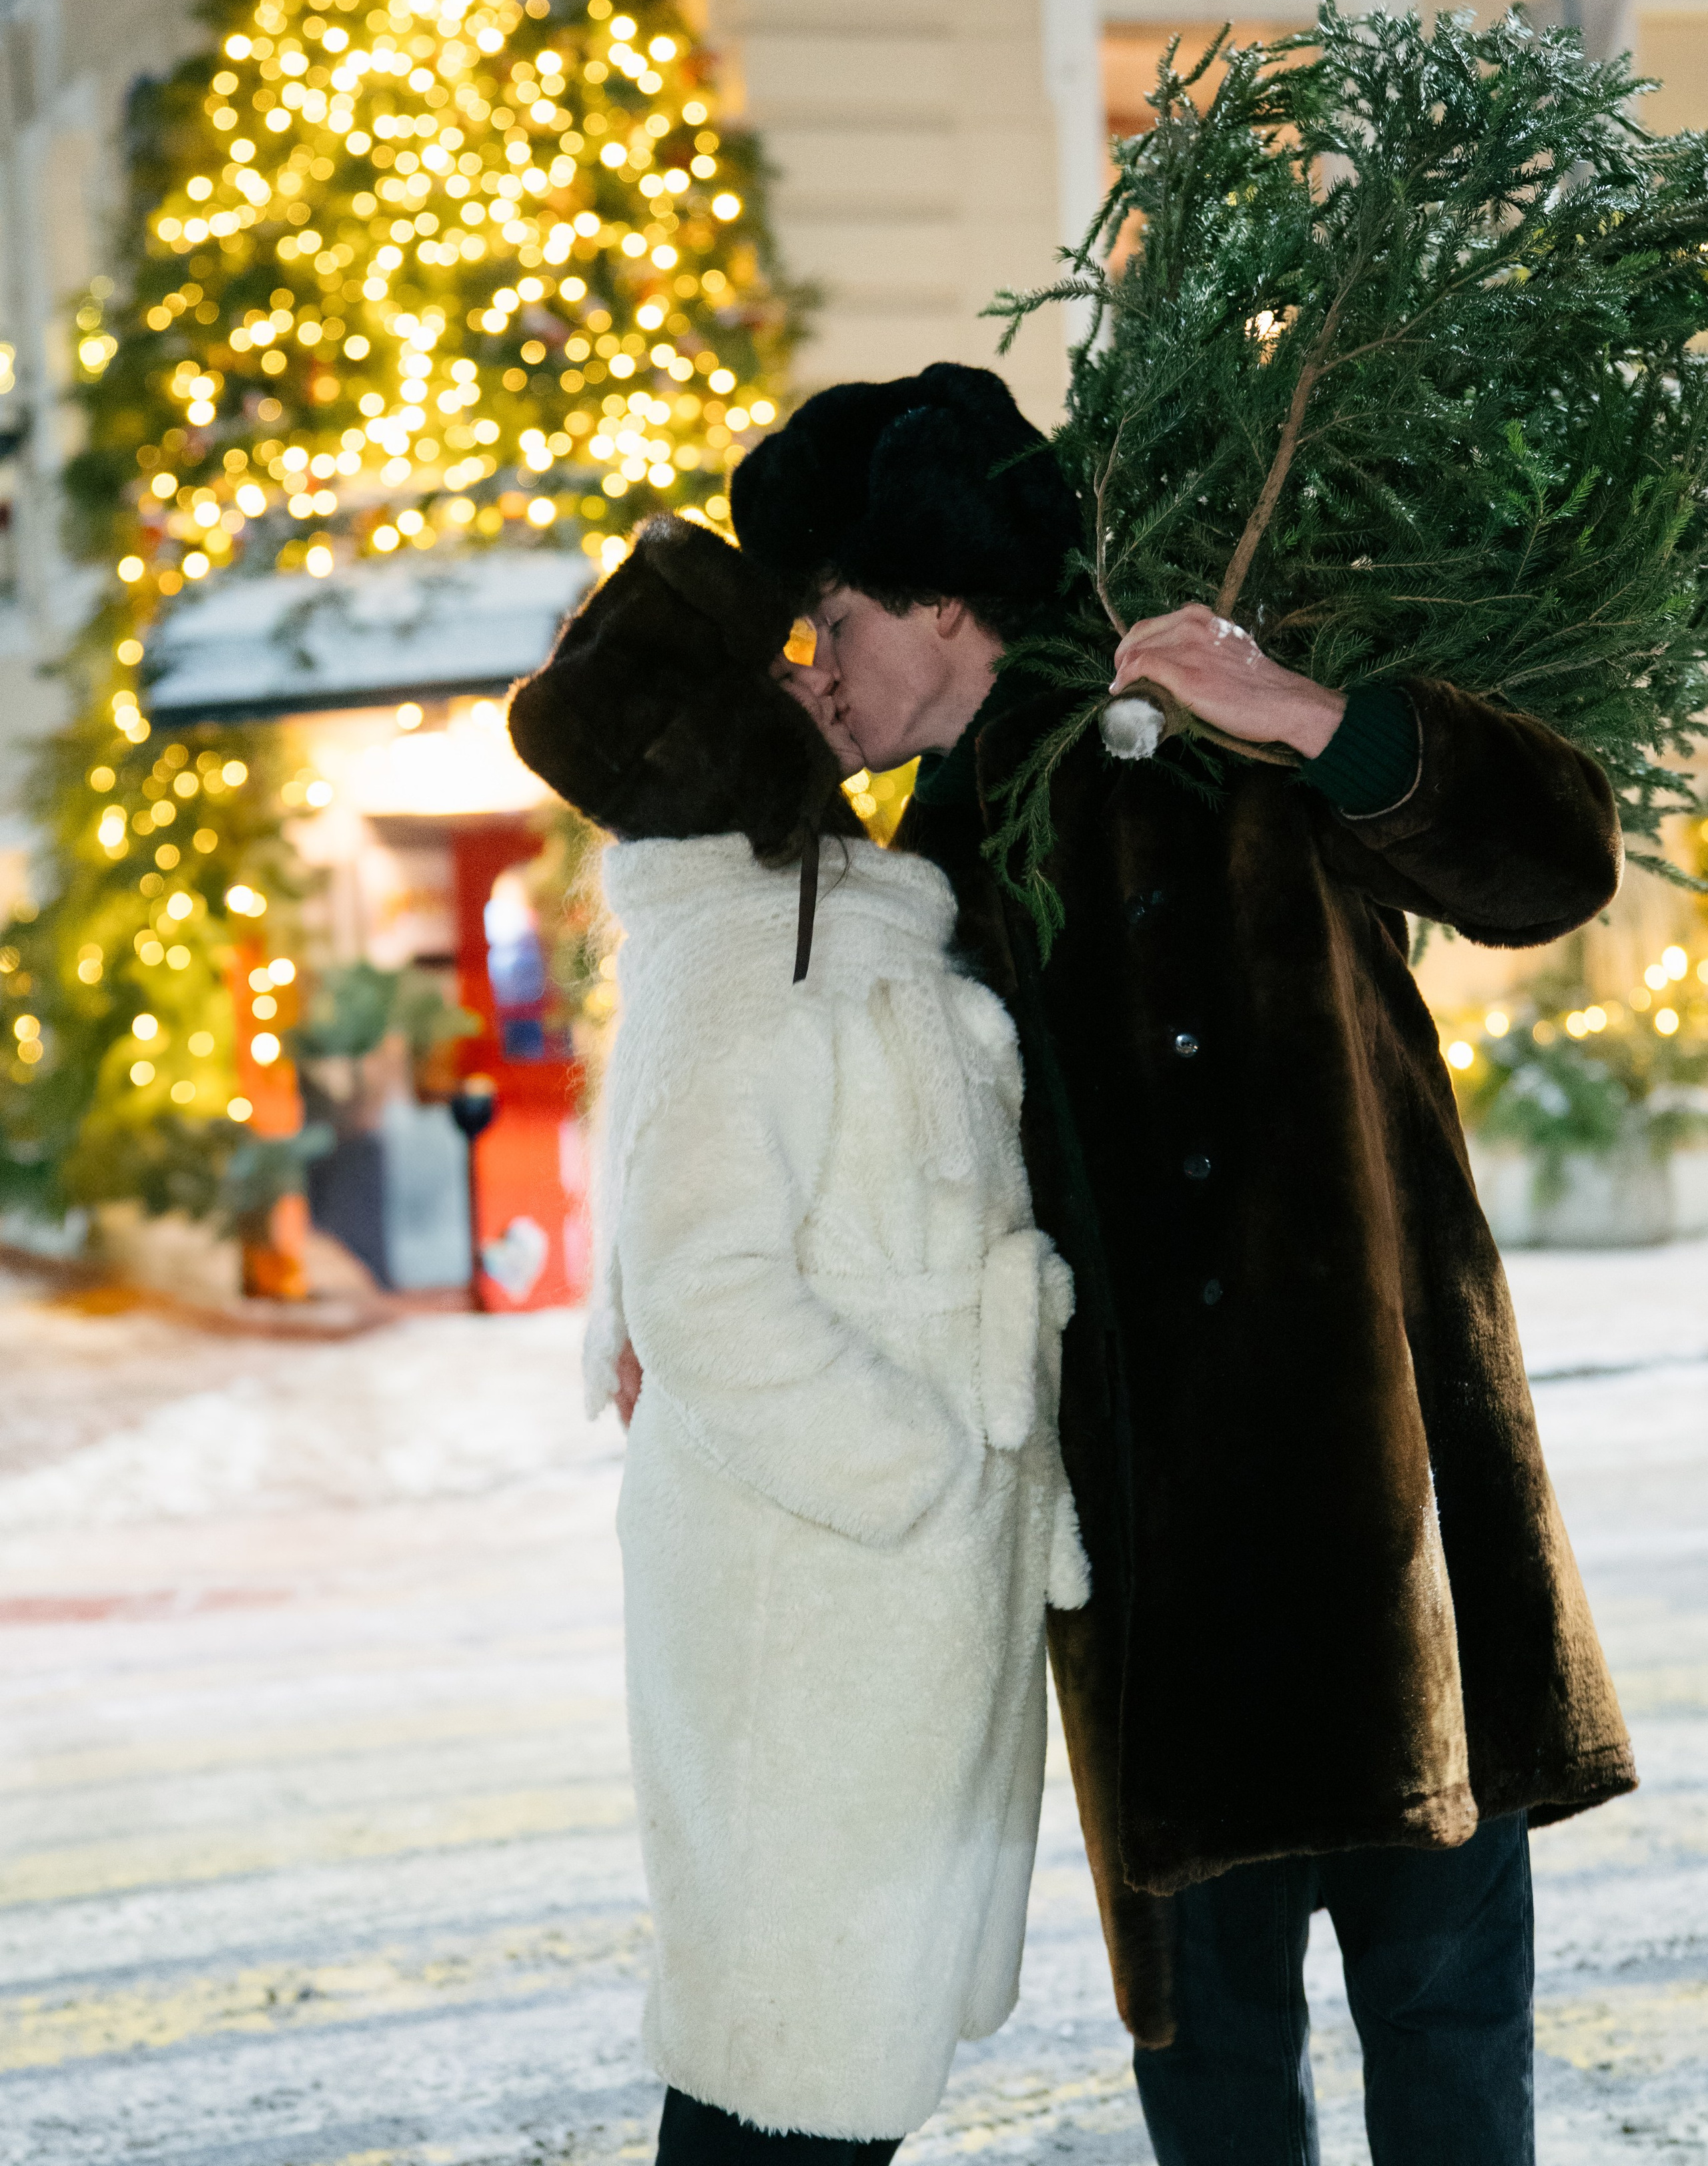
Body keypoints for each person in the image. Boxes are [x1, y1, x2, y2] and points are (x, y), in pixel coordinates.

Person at [729, 362, 1636, 2166]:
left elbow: (1555, 861)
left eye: (829, 619)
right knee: (1216, 2078)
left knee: (1448, 2049)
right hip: (1155, 1573)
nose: (813, 667)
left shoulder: (1213, 707)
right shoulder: (926, 870)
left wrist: (1302, 710)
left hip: (1386, 1518)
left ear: (937, 598)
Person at [506, 514, 1089, 2166]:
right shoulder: (752, 953)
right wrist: (921, 1476)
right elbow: (704, 1285)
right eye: (786, 660)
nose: (822, 678)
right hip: (814, 1599)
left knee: (813, 2074)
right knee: (783, 2077)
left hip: (870, 1606)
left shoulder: (818, 917)